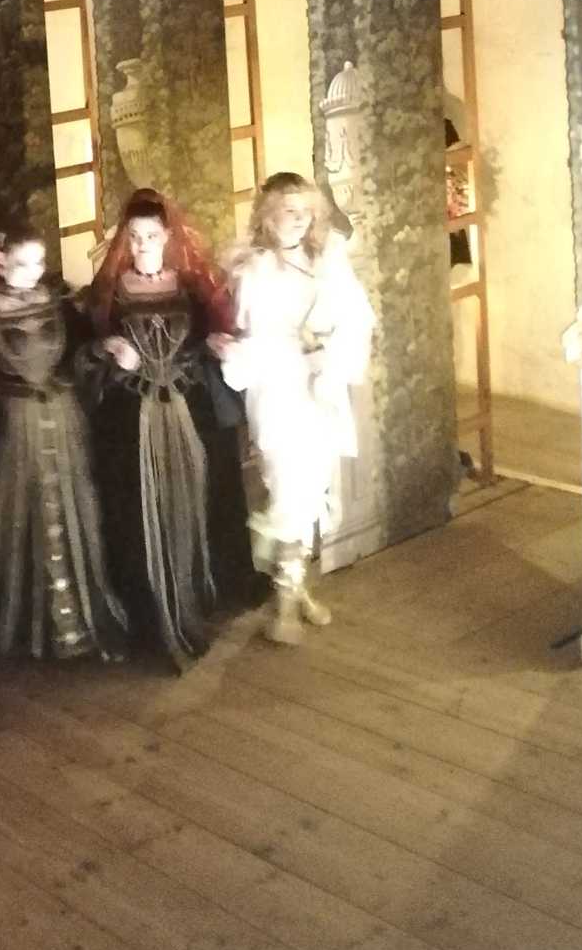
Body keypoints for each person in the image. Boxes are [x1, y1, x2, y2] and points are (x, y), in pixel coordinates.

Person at [0, 221, 126, 662]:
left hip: (63, 418)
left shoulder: (58, 301)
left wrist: (104, 349)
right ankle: (25, 620)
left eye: (38, 263)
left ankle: (76, 617)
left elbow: (78, 353)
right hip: (12, 427)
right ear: (0, 261)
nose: (32, 272)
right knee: (19, 516)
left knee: (73, 509)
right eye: (21, 264)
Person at [76, 188, 256, 669]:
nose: (142, 245)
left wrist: (217, 344)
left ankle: (192, 598)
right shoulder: (107, 295)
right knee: (139, 511)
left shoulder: (192, 290)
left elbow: (207, 340)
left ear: (168, 237)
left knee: (190, 502)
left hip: (184, 412)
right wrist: (108, 348)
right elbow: (81, 352)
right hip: (130, 419)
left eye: (151, 236)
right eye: (134, 237)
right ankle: (151, 611)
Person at [215, 171, 376, 644]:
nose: (298, 220)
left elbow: (357, 322)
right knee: (285, 489)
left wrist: (325, 353)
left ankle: (296, 586)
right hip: (276, 387)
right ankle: (284, 602)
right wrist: (235, 350)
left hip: (319, 386)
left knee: (311, 488)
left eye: (305, 211)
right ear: (267, 214)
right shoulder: (252, 269)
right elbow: (244, 331)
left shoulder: (328, 262)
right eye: (288, 210)